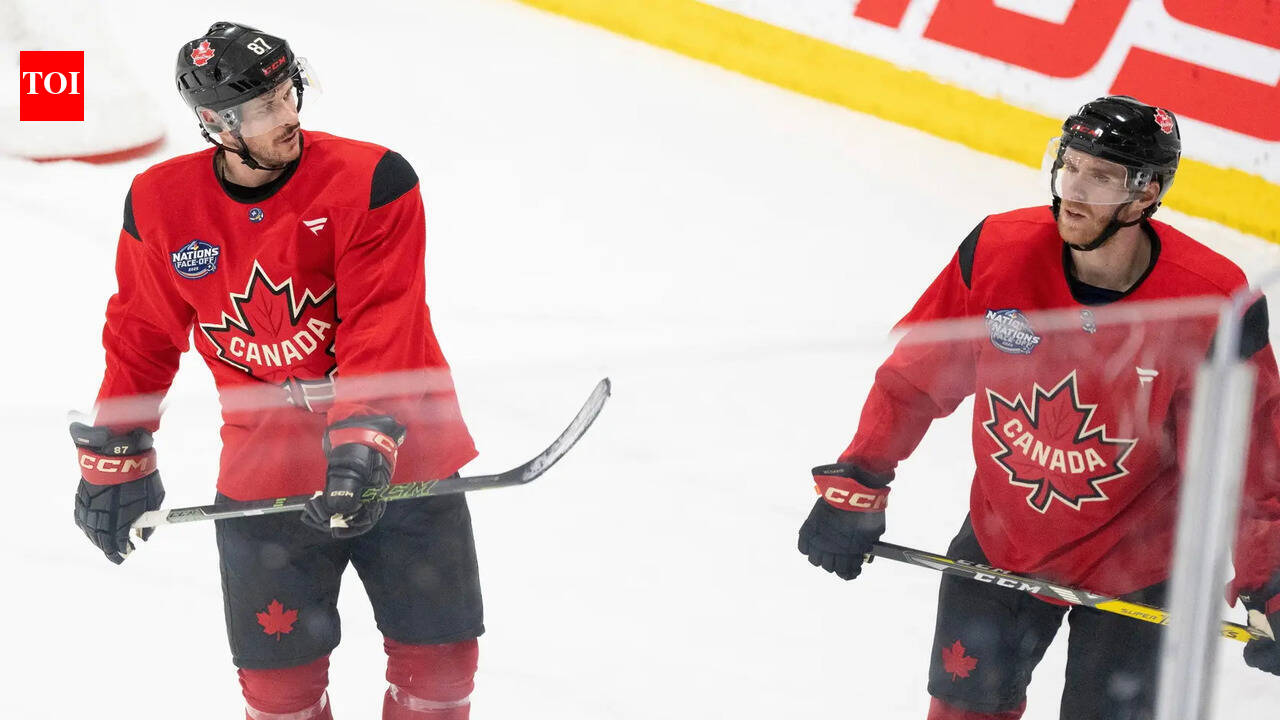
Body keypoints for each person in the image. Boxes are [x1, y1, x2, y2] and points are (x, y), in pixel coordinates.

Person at [797, 95, 1280, 719]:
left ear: (1146, 195)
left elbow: (1245, 468)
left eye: (1101, 177)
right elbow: (914, 379)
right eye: (1069, 165)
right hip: (1003, 538)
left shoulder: (1211, 304)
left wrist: (1271, 581)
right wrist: (859, 480)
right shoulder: (997, 249)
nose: (1074, 191)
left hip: (1140, 568)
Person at [71, 22, 483, 720]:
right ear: (216, 124)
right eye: (262, 108)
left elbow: (384, 325)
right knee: (279, 691)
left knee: (439, 672)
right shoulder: (160, 204)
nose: (288, 114)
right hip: (269, 470)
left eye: (286, 93)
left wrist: (362, 443)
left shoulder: (373, 180)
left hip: (406, 453)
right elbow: (140, 334)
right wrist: (119, 453)